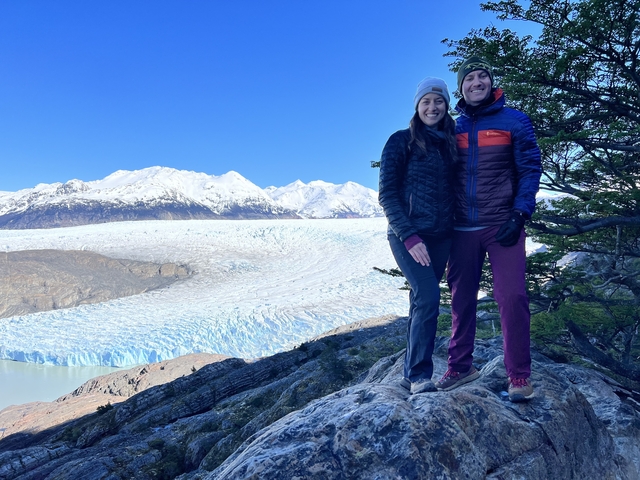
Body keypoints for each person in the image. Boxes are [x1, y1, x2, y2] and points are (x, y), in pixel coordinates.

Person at [434, 57, 542, 402]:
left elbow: (529, 170)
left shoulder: (515, 122)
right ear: (461, 86)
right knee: (460, 299)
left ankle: (519, 376)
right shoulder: (453, 128)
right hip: (462, 227)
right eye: (470, 78)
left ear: (491, 83)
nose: (476, 82)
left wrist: (519, 214)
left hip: (502, 224)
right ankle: (461, 366)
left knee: (511, 297)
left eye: (483, 76)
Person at [378, 77, 457, 395]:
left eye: (438, 101)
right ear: (417, 106)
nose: (432, 107)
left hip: (442, 236)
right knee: (428, 296)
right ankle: (420, 375)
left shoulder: (452, 144)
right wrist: (409, 236)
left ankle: (409, 372)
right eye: (426, 101)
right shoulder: (400, 141)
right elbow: (387, 194)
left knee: (420, 300)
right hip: (408, 235)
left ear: (446, 105)